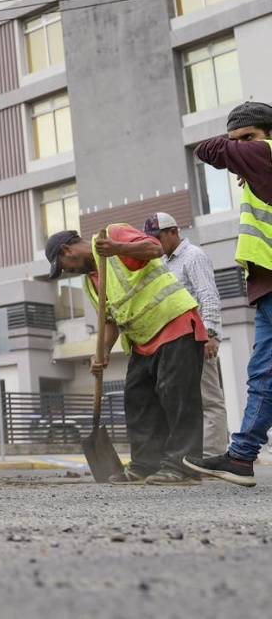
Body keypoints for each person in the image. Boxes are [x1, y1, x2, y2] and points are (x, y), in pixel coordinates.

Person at [46, 225, 206, 485]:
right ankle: (145, 464)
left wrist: (118, 248)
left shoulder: (113, 235)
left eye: (64, 265)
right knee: (137, 400)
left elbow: (155, 248)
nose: (67, 271)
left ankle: (184, 467)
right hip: (143, 340)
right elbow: (109, 320)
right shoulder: (90, 282)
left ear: (67, 250)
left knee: (178, 397)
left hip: (173, 322)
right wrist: (103, 352)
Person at [185, 100, 272, 486]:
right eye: (237, 140)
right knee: (264, 374)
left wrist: (238, 152)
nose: (241, 147)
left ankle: (241, 456)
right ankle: (241, 456)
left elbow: (208, 149)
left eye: (247, 137)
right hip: (267, 286)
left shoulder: (264, 153)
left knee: (264, 374)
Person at [143, 212, 228, 456]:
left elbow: (208, 295)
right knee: (185, 400)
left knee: (208, 398)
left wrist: (211, 334)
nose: (155, 243)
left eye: (158, 237)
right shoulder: (163, 262)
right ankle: (193, 455)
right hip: (177, 342)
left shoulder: (193, 256)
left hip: (199, 338)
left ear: (174, 232)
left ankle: (212, 456)